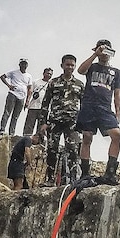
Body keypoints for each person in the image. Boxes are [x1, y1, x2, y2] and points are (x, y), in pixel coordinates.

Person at [76, 40, 120, 185]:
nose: (104, 54)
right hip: (89, 105)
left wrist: (118, 112)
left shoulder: (116, 72)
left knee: (117, 135)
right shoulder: (92, 66)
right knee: (87, 137)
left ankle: (110, 172)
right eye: (102, 50)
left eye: (107, 51)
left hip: (105, 107)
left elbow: (117, 93)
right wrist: (94, 54)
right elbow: (80, 70)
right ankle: (84, 173)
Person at [40, 54, 86, 186]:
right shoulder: (53, 83)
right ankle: (49, 180)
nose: (70, 67)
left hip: (72, 122)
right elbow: (45, 103)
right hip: (54, 121)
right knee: (51, 150)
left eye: (72, 65)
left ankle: (73, 180)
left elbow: (84, 105)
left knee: (72, 150)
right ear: (62, 66)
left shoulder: (79, 84)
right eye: (67, 64)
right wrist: (43, 123)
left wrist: (83, 124)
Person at [0, 58, 33, 136]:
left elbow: (29, 88)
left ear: (27, 65)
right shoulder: (14, 72)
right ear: (19, 64)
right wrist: (9, 85)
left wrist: (27, 100)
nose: (23, 65)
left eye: (25, 64)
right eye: (22, 64)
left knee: (16, 116)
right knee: (7, 112)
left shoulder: (29, 76)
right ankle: (2, 129)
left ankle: (12, 132)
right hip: (13, 94)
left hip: (22, 96)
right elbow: (2, 76)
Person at [23, 67, 53, 135]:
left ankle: (38, 142)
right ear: (44, 73)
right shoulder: (36, 81)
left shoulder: (51, 84)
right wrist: (27, 101)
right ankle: (26, 138)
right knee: (29, 125)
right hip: (33, 106)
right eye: (48, 73)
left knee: (41, 127)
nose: (49, 75)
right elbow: (30, 92)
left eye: (51, 74)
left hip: (44, 108)